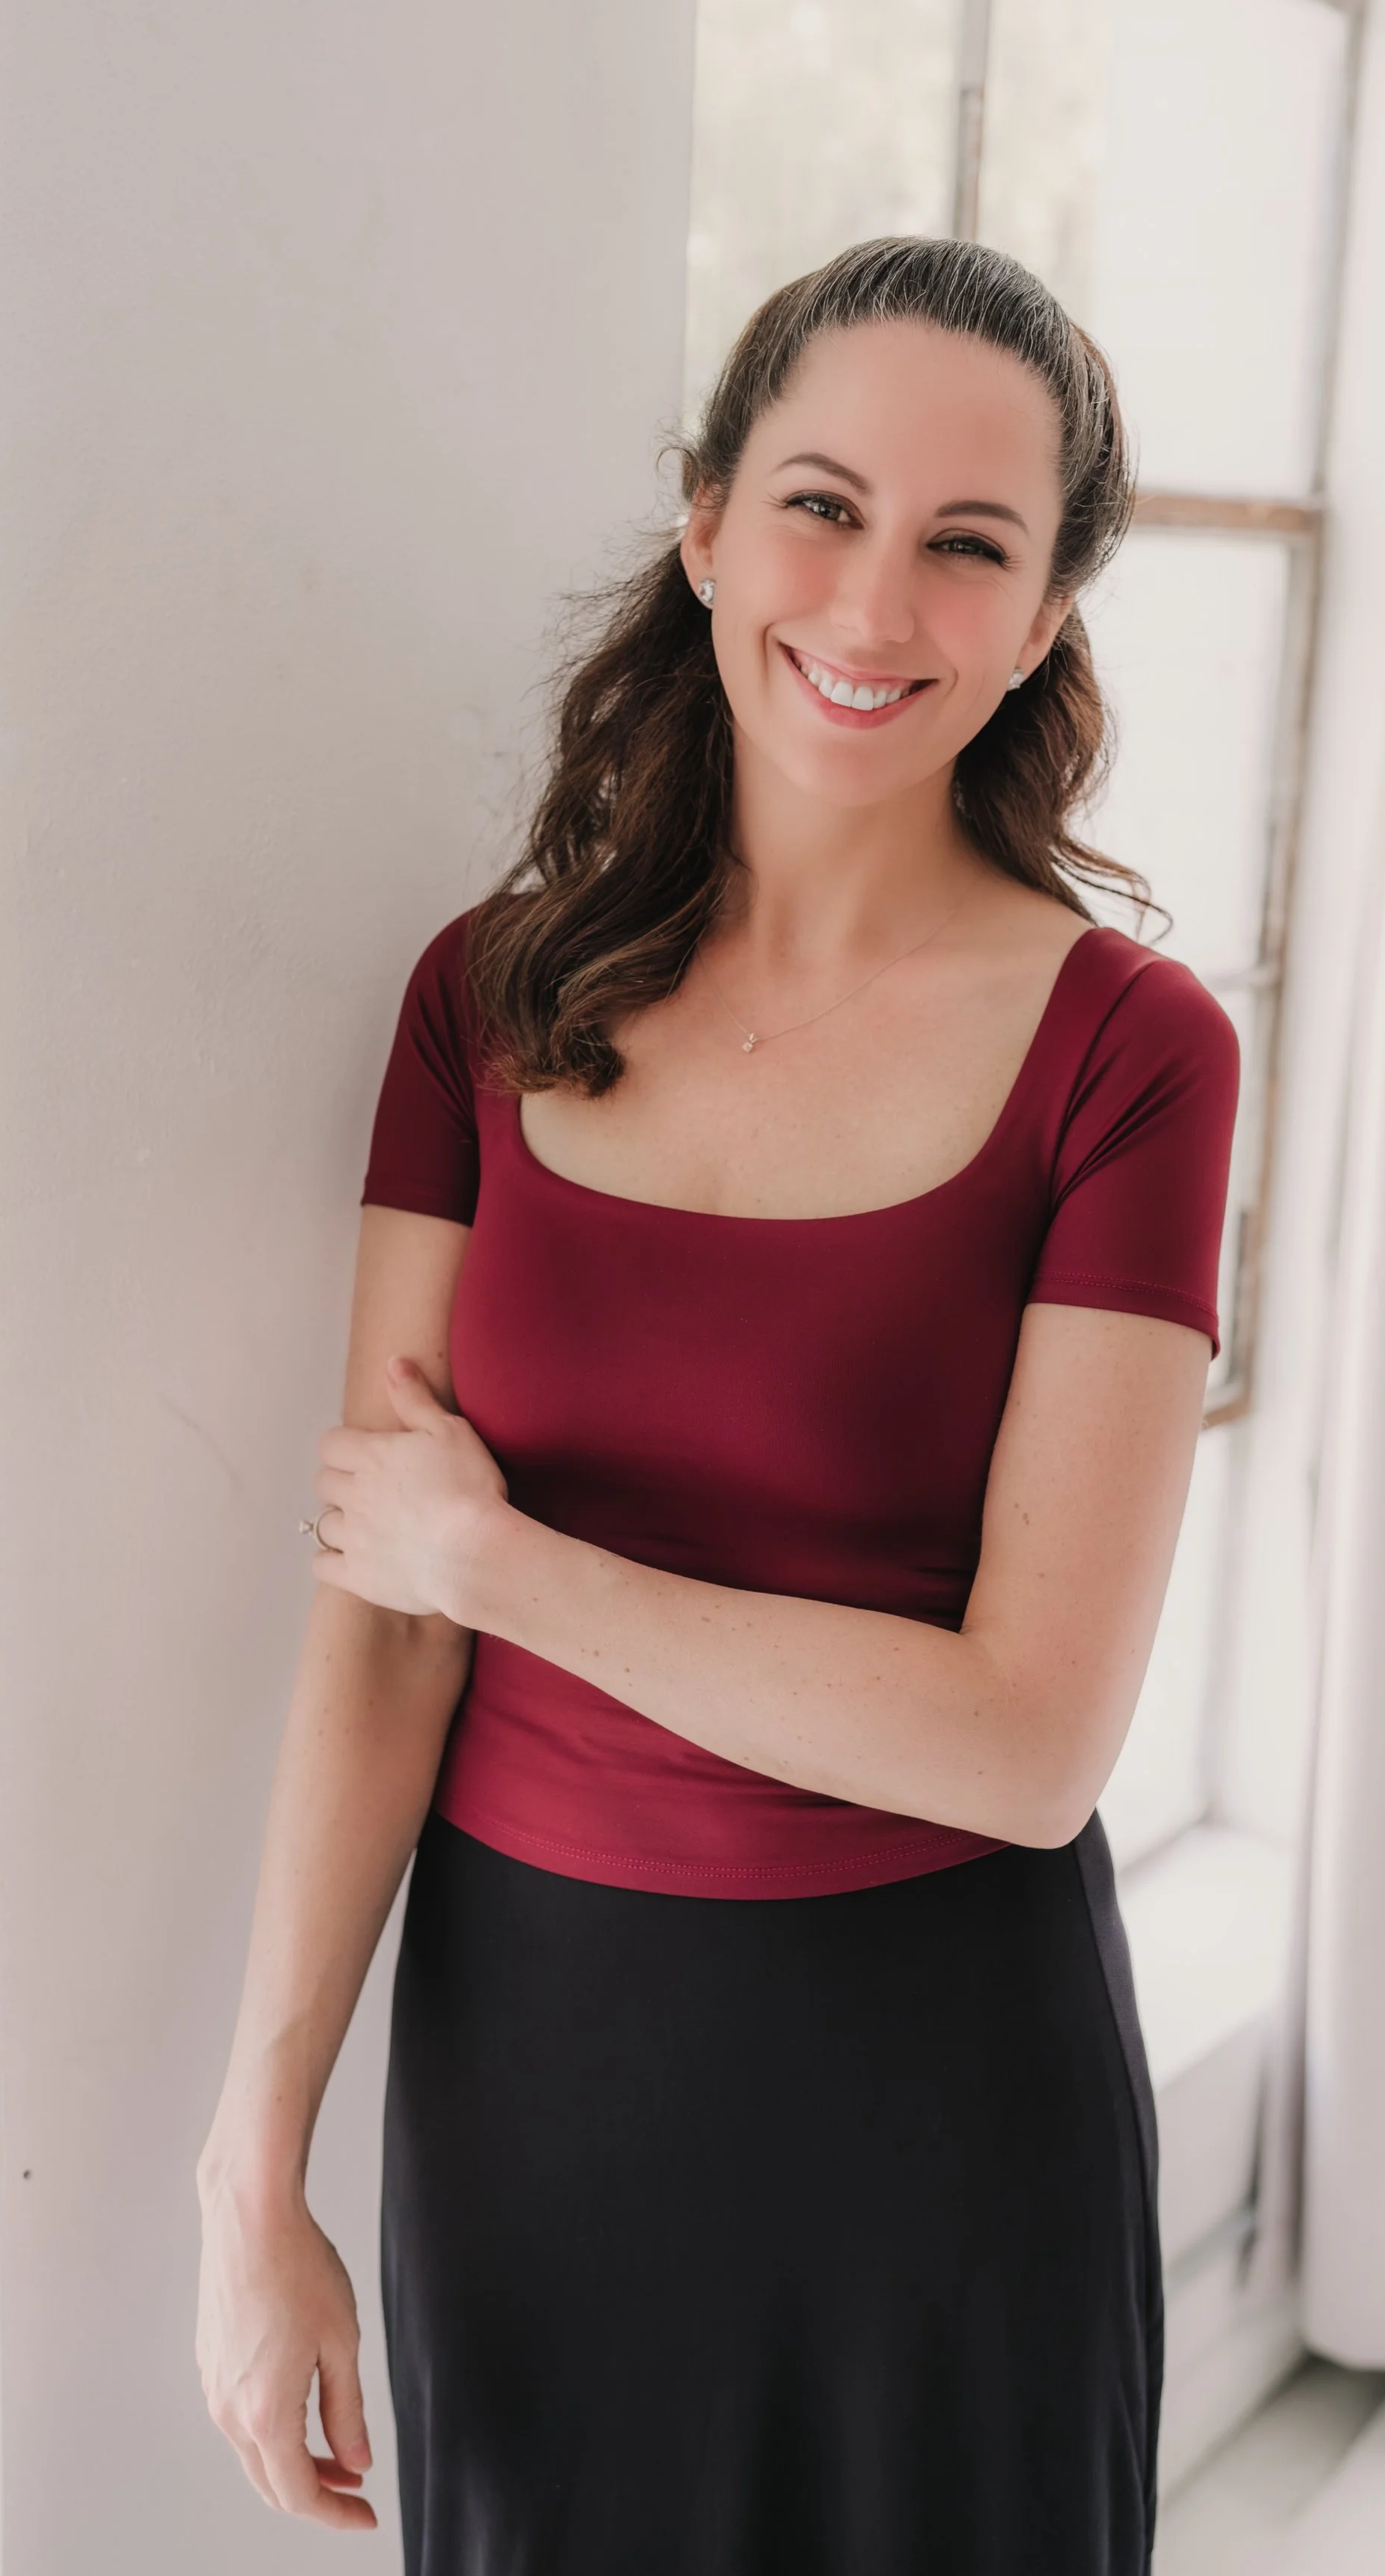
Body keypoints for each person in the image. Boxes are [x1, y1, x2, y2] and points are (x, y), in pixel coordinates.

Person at [195, 234, 1241, 2574]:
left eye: (969, 543)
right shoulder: (486, 998)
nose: (874, 600)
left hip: (937, 2096)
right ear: (701, 523)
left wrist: (509, 1560)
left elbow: (1022, 1740)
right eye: (819, 504)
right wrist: (250, 2168)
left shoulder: (1130, 1053)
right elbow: (377, 1636)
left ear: (1049, 612)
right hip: (532, 2080)